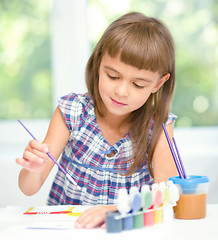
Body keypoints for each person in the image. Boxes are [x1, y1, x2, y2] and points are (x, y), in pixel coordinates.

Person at [16, 12, 178, 229]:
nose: (121, 91)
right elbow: (28, 188)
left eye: (138, 84)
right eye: (113, 76)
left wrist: (117, 210)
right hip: (71, 230)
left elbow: (167, 197)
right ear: (99, 62)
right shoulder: (72, 111)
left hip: (128, 230)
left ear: (158, 84)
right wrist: (34, 168)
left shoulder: (159, 125)